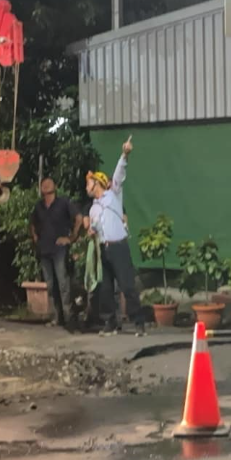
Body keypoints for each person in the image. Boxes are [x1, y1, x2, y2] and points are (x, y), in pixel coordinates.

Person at [86, 136, 146, 337]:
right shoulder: (93, 209)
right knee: (105, 288)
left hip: (119, 246)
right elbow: (94, 228)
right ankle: (110, 323)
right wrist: (91, 231)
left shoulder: (114, 194)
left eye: (90, 182)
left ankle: (139, 323)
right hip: (104, 247)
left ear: (98, 184)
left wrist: (125, 153)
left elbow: (119, 172)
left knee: (127, 285)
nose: (87, 185)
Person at [30, 177, 81, 327]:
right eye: (43, 184)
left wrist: (71, 238)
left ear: (55, 186)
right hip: (44, 250)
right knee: (51, 285)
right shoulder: (39, 206)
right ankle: (57, 316)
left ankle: (69, 317)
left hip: (59, 249)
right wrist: (35, 238)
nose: (45, 185)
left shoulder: (63, 203)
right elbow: (33, 223)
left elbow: (78, 218)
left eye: (49, 183)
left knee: (63, 282)